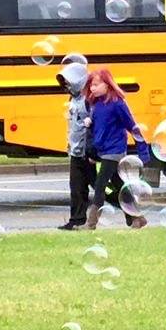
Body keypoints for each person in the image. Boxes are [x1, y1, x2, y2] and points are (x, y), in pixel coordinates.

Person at [82, 68, 151, 230]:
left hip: (115, 151)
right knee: (120, 185)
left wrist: (143, 151)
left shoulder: (118, 104)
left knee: (100, 185)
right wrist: (89, 128)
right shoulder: (96, 104)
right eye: (91, 85)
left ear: (107, 84)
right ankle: (138, 218)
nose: (92, 88)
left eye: (96, 85)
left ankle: (90, 224)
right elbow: (97, 131)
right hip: (103, 151)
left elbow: (132, 127)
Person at [60, 71, 96, 229]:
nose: (67, 86)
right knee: (76, 187)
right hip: (76, 151)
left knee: (102, 187)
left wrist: (93, 150)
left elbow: (94, 126)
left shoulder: (89, 100)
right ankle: (76, 219)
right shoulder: (73, 99)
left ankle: (132, 214)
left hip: (88, 152)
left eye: (69, 82)